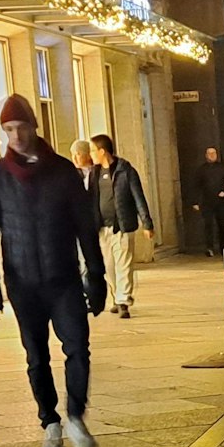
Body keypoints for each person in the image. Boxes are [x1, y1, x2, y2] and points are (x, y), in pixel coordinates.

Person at [0, 93, 106, 447]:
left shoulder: (62, 171)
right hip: (22, 282)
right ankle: (49, 419)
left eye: (20, 127)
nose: (15, 135)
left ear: (34, 126)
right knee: (36, 355)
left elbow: (85, 226)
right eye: (8, 129)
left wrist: (96, 275)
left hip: (62, 277)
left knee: (77, 347)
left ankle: (75, 414)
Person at [88, 134, 152, 319]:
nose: (91, 154)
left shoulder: (125, 170)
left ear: (102, 151)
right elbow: (91, 199)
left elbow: (138, 196)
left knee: (123, 264)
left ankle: (124, 300)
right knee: (109, 266)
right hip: (102, 228)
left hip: (122, 225)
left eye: (93, 150)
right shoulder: (95, 173)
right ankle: (116, 296)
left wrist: (147, 222)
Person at [191, 146, 224, 256]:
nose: (212, 155)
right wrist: (195, 202)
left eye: (214, 153)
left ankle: (223, 246)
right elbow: (196, 186)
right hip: (207, 201)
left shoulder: (223, 168)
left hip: (221, 202)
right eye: (210, 153)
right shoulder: (201, 170)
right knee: (208, 225)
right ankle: (209, 247)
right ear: (206, 155)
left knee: (222, 224)